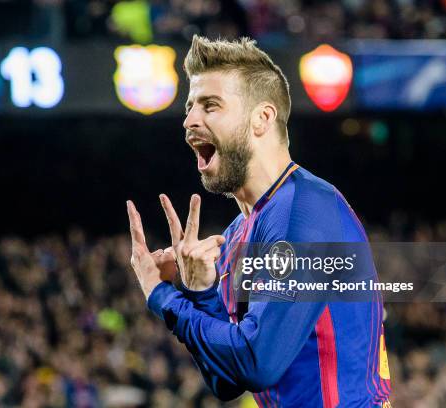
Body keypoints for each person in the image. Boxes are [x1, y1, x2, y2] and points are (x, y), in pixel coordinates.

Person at [126, 35, 391, 407]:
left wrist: (162, 296)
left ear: (262, 118)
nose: (189, 120)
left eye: (210, 105)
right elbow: (227, 380)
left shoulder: (305, 209)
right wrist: (199, 293)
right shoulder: (240, 232)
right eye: (190, 107)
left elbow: (257, 364)